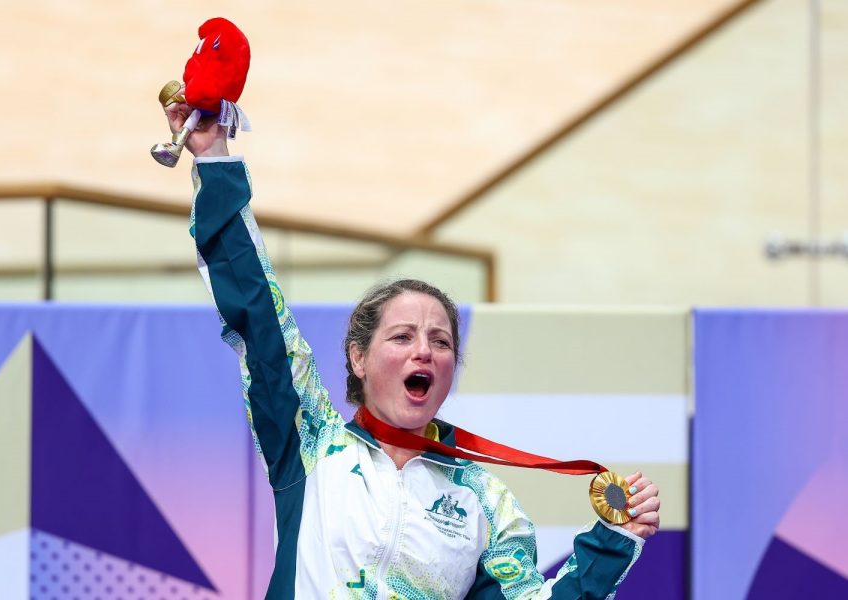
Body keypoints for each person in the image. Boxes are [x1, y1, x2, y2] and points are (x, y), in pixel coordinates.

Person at [166, 104, 661, 599]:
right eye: (402, 337)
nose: (423, 351)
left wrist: (613, 541)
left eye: (440, 341)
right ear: (358, 358)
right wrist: (215, 158)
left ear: (451, 370)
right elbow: (258, 315)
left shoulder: (485, 504)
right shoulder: (310, 443)